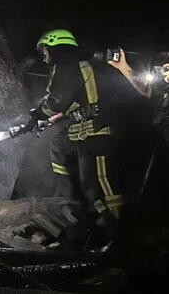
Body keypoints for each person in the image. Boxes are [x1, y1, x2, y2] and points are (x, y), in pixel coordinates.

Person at [28, 29, 141, 249]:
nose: (44, 57)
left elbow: (57, 101)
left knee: (106, 185)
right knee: (91, 186)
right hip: (86, 133)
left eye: (45, 51)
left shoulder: (67, 65)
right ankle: (107, 229)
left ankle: (124, 233)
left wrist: (38, 114)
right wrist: (45, 119)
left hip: (99, 133)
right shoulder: (77, 65)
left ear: (55, 46)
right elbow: (71, 104)